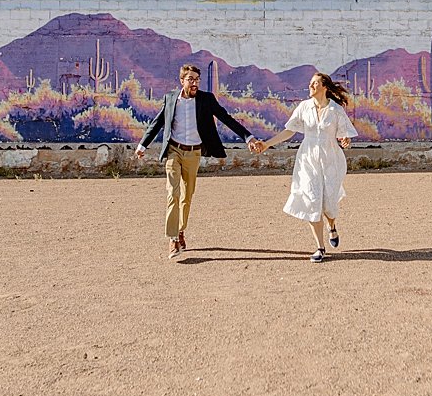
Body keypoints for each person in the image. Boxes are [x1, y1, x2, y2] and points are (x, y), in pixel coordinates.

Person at [136, 64, 261, 259]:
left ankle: (180, 230)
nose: (194, 83)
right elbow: (158, 122)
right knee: (173, 193)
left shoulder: (206, 99)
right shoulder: (171, 99)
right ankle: (172, 239)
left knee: (186, 197)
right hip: (173, 151)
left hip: (193, 153)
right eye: (190, 79)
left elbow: (226, 118)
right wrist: (143, 145)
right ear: (182, 81)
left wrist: (248, 138)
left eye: (197, 80)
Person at [256, 72, 358, 263]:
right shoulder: (304, 107)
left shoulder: (335, 110)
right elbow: (289, 130)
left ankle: (332, 226)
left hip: (331, 160)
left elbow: (345, 136)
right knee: (312, 200)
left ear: (324, 86)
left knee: (328, 204)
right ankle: (320, 247)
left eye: (315, 83)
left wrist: (345, 140)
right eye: (310, 82)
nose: (311, 86)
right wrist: (267, 144)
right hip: (308, 160)